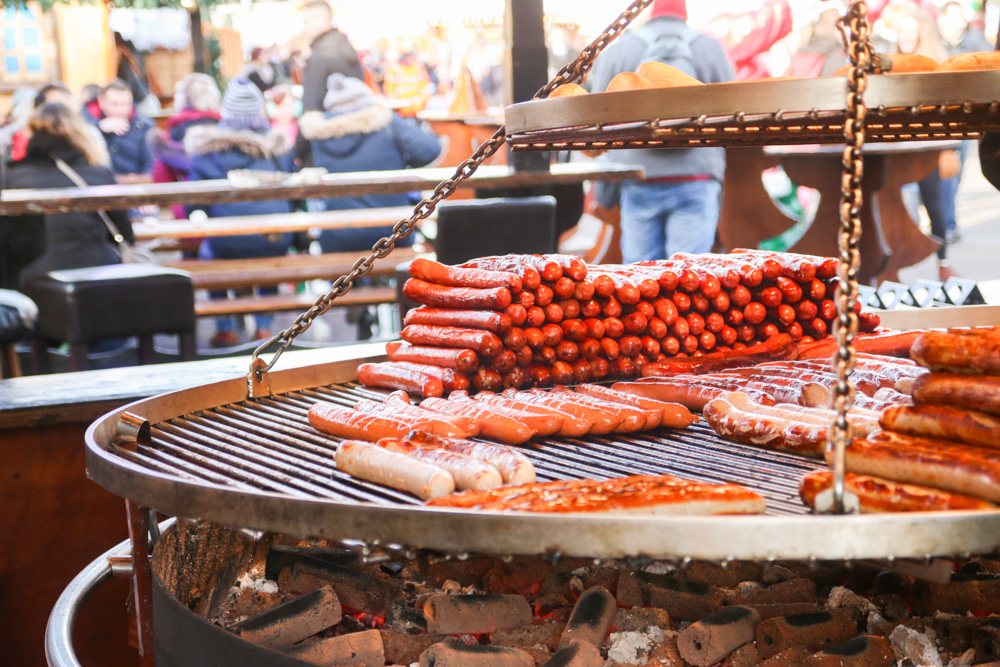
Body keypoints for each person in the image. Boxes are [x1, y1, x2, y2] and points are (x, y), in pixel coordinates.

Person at [587, 0, 735, 262]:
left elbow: (597, 116)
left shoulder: (621, 48)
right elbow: (733, 111)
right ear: (684, 11)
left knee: (641, 281)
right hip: (696, 177)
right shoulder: (710, 48)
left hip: (638, 177)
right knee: (688, 280)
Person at [184, 78, 296, 347]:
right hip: (274, 240)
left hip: (227, 241)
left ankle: (226, 328)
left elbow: (193, 202)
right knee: (269, 250)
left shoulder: (206, 151)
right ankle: (263, 327)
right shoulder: (277, 149)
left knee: (210, 254)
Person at [297, 73, 441, 253]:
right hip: (393, 232)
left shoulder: (317, 133)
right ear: (366, 100)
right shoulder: (385, 121)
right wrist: (403, 161)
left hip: (338, 236)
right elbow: (430, 149)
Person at [2, 103, 133, 288]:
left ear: (31, 132)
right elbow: (125, 234)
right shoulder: (98, 172)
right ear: (80, 132)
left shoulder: (9, 175)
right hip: (97, 273)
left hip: (31, 278)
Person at [147, 74, 222, 220]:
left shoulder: (173, 131)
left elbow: (161, 180)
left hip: (186, 211)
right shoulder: (224, 128)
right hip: (223, 210)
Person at [299, 0, 364, 112]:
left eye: (306, 21)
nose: (303, 29)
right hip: (356, 124)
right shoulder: (347, 48)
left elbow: (311, 110)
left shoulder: (319, 58)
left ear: (322, 20)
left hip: (330, 126)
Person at [83, 79, 155, 177]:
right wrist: (99, 128)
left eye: (125, 104)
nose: (121, 110)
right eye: (115, 104)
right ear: (101, 102)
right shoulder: (86, 124)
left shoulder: (144, 126)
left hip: (135, 185)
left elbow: (150, 163)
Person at [382, 43, 432, 118]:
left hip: (417, 109)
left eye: (407, 54)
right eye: (404, 54)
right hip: (401, 111)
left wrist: (422, 100)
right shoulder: (393, 67)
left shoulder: (417, 66)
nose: (406, 57)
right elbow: (389, 90)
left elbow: (425, 87)